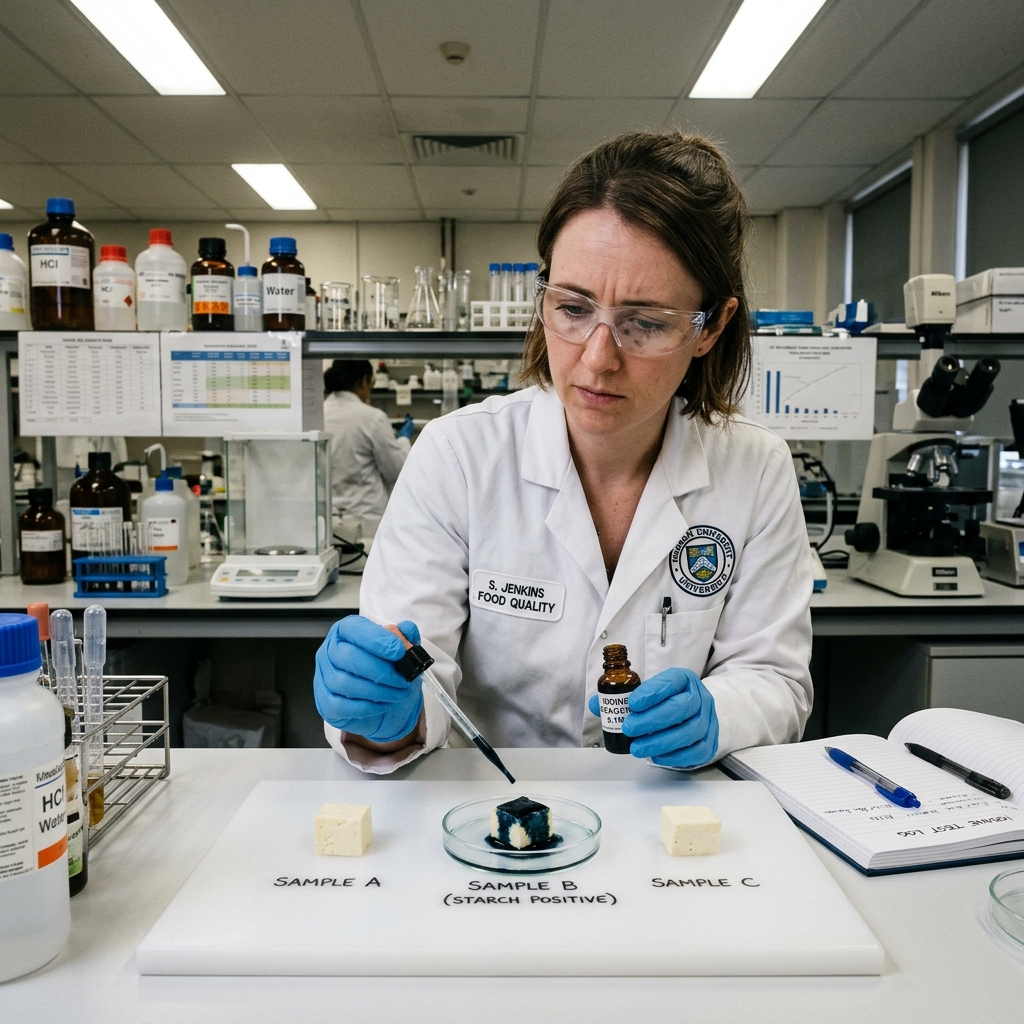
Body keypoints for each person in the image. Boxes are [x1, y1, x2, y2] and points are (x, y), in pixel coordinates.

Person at [314, 131, 813, 774]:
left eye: (645, 322)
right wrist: (386, 715)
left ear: (710, 326)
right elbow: (413, 672)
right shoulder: (458, 456)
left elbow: (775, 680)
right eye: (573, 308)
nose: (598, 359)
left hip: (673, 808)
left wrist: (721, 712)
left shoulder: (756, 470)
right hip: (493, 807)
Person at [322, 359, 415, 540]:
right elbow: (397, 471)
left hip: (327, 523)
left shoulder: (318, 414)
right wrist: (403, 439)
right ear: (364, 381)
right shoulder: (372, 418)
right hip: (365, 524)